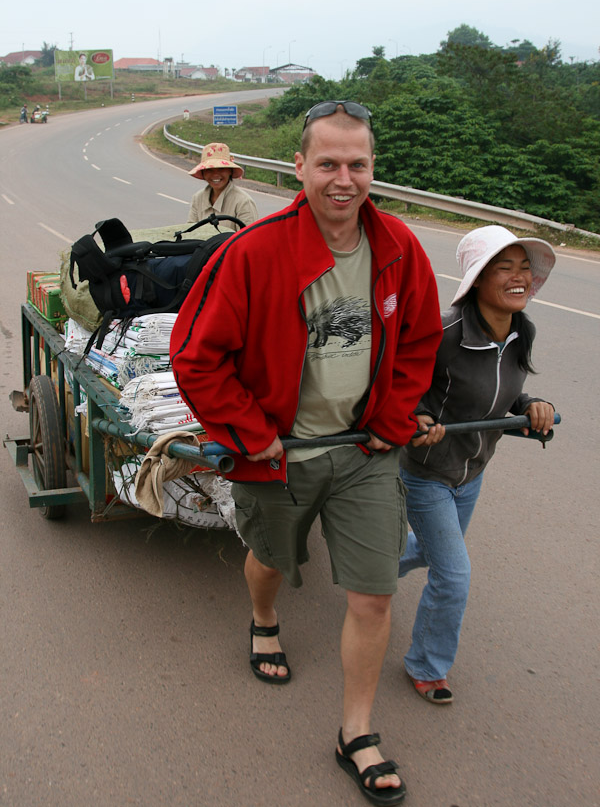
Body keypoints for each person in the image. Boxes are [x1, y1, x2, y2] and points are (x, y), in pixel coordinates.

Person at [171, 100, 443, 804]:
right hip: (278, 452)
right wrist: (251, 432)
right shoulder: (255, 252)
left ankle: (356, 732)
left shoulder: (400, 248)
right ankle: (264, 620)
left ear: (372, 167)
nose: (344, 178)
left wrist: (393, 415)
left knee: (374, 597)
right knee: (271, 559)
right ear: (300, 167)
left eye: (358, 163)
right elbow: (197, 357)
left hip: (364, 453)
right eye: (329, 163)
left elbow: (417, 342)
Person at [397, 224, 556, 705]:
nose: (519, 277)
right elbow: (402, 389)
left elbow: (500, 395)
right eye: (504, 267)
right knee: (454, 575)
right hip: (427, 473)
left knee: (429, 554)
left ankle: (367, 567)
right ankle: (426, 666)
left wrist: (531, 406)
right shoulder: (444, 333)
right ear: (478, 279)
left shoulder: (518, 334)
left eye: (524, 268)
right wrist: (417, 416)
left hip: (472, 473)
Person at [187, 142, 258, 231]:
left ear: (230, 171)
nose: (215, 174)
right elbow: (189, 233)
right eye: (209, 170)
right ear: (203, 173)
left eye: (221, 169)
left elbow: (248, 239)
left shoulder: (243, 202)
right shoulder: (197, 198)